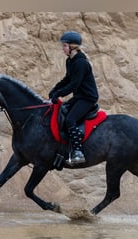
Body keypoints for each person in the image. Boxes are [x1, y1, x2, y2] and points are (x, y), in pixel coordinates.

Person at [49, 31, 99, 165]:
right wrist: (54, 90)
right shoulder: (70, 61)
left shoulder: (81, 63)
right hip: (79, 97)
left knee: (70, 119)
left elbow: (74, 84)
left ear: (72, 47)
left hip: (87, 98)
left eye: (64, 46)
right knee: (62, 113)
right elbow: (67, 79)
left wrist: (58, 94)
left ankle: (78, 152)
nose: (63, 48)